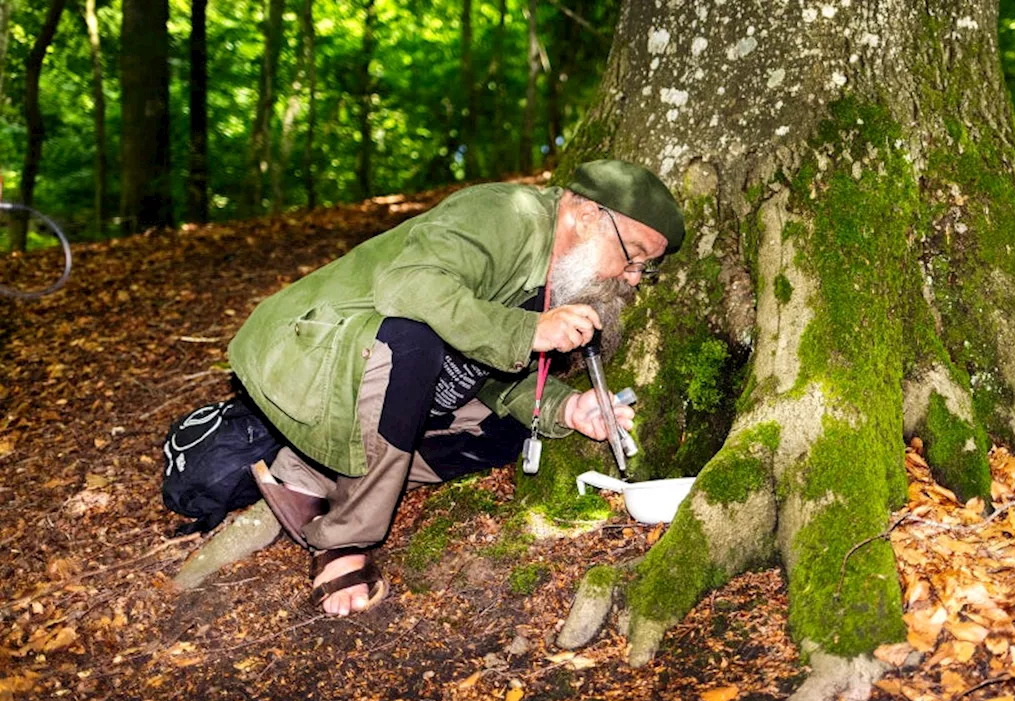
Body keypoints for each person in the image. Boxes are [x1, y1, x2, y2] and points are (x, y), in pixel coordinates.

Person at [227, 159, 684, 616]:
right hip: (308, 350)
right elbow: (408, 288)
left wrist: (568, 408)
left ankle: (311, 473)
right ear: (588, 217)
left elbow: (489, 372)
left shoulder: (555, 273)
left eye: (646, 268)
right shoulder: (505, 214)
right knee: (414, 343)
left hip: (384, 381)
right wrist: (527, 331)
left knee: (511, 430)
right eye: (635, 257)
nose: (634, 278)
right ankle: (345, 540)